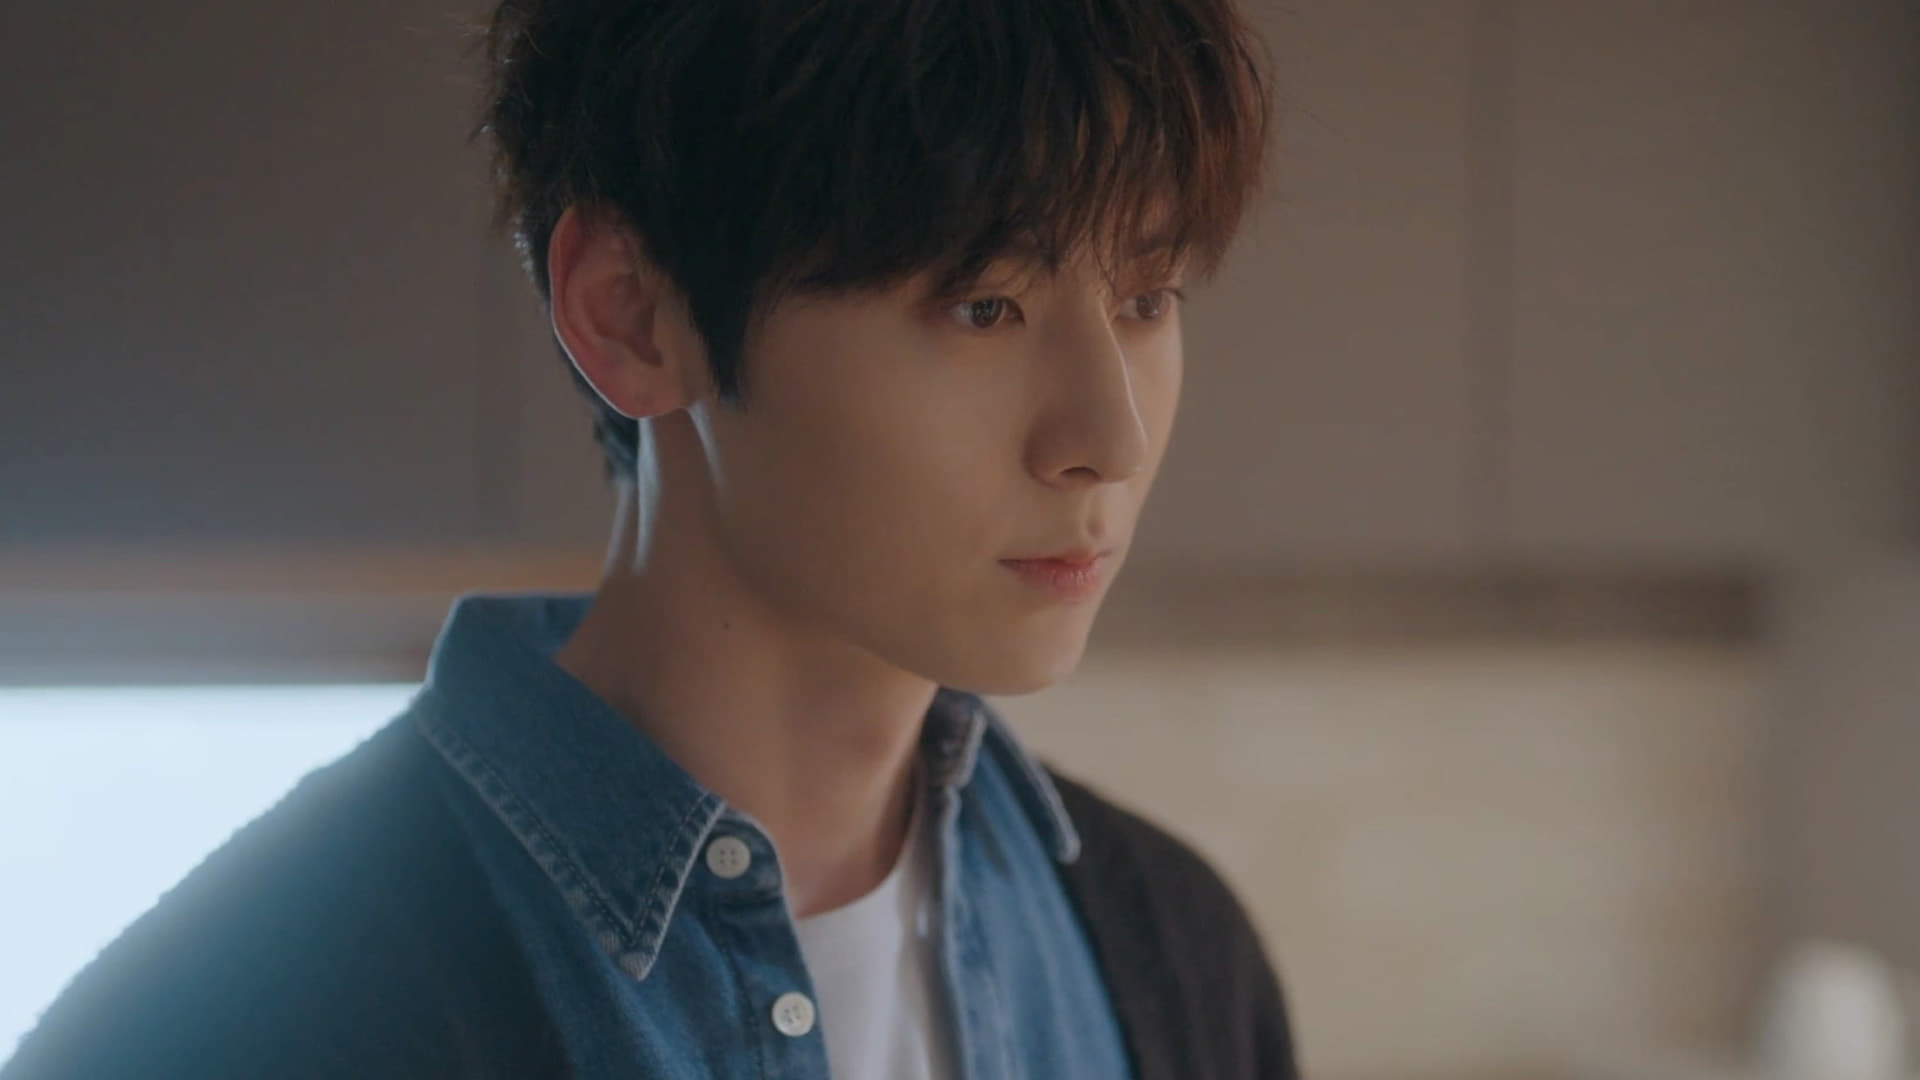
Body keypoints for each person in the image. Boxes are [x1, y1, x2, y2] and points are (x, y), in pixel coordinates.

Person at [4, 0, 1292, 1076]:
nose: (1109, 438)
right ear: (631, 313)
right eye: (985, 305)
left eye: (1147, 297)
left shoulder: (1174, 950)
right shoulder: (241, 1023)